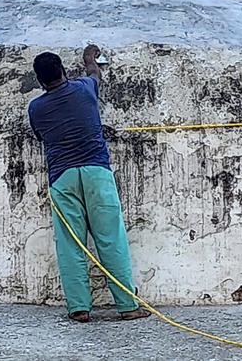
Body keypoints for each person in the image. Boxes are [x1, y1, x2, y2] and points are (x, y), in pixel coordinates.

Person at [28, 44, 150, 322]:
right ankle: (128, 306)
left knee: (71, 244)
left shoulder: (36, 107)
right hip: (97, 172)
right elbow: (95, 73)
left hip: (63, 178)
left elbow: (40, 136)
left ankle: (79, 307)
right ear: (62, 70)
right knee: (111, 239)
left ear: (39, 80)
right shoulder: (84, 88)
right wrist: (88, 58)